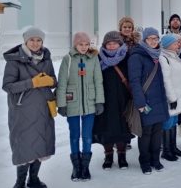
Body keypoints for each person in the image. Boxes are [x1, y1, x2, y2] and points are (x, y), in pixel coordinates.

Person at [2, 27, 57, 188]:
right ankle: (19, 182)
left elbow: (54, 80)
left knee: (41, 144)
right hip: (22, 111)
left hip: (43, 108)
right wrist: (32, 82)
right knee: (24, 146)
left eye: (39, 40)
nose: (35, 43)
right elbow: (8, 86)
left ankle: (33, 179)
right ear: (25, 41)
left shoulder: (46, 58)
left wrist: (50, 81)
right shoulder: (15, 61)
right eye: (32, 40)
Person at [57, 32, 104, 181]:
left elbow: (98, 81)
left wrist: (99, 101)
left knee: (87, 136)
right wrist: (61, 104)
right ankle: (76, 167)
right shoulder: (68, 59)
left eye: (86, 44)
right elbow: (62, 82)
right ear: (75, 44)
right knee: (74, 136)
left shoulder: (94, 58)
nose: (84, 47)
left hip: (90, 103)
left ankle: (85, 167)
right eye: (80, 44)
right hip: (72, 103)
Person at [128, 27, 169, 174]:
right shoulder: (137, 56)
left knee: (157, 132)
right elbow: (134, 81)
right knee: (146, 133)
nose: (153, 41)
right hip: (146, 101)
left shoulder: (158, 55)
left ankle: (155, 160)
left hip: (159, 100)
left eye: (156, 38)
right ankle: (144, 162)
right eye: (150, 38)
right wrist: (140, 102)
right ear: (144, 40)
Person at [93, 31, 132, 170]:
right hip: (105, 100)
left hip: (123, 99)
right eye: (108, 43)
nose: (111, 46)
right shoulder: (98, 58)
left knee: (122, 128)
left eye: (114, 43)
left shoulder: (127, 57)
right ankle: (108, 155)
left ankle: (122, 155)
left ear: (119, 44)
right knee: (106, 129)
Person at [159, 34, 181, 161]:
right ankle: (166, 151)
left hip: (178, 97)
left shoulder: (174, 56)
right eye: (175, 43)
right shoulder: (163, 58)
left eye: (178, 43)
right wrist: (172, 98)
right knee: (167, 123)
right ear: (168, 45)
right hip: (171, 98)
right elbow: (166, 80)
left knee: (173, 122)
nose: (178, 45)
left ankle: (173, 147)